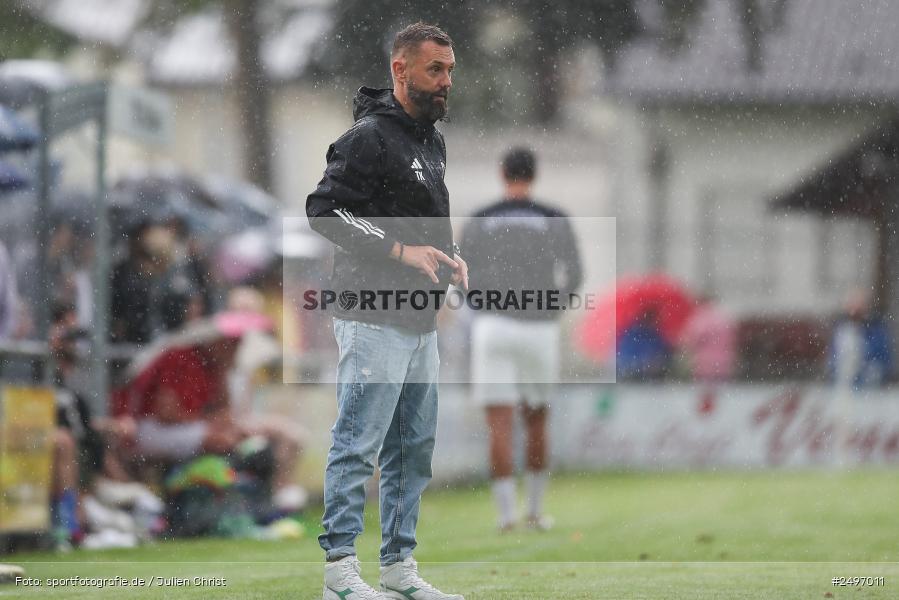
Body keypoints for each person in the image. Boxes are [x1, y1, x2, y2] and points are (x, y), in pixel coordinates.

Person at [306, 22, 467, 600]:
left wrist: (449, 256)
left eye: (450, 70)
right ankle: (339, 571)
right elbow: (324, 210)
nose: (446, 81)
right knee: (358, 444)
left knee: (413, 449)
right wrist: (401, 251)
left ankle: (398, 568)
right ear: (400, 70)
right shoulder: (367, 137)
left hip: (420, 321)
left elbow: (424, 222)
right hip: (371, 315)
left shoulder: (431, 140)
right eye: (435, 69)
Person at [461, 147, 582, 532]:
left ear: (502, 173)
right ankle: (534, 512)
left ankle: (505, 516)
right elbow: (575, 273)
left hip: (493, 325)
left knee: (499, 422)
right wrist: (551, 308)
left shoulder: (481, 218)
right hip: (537, 327)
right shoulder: (553, 217)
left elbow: (460, 273)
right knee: (537, 419)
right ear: (535, 174)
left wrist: (482, 305)